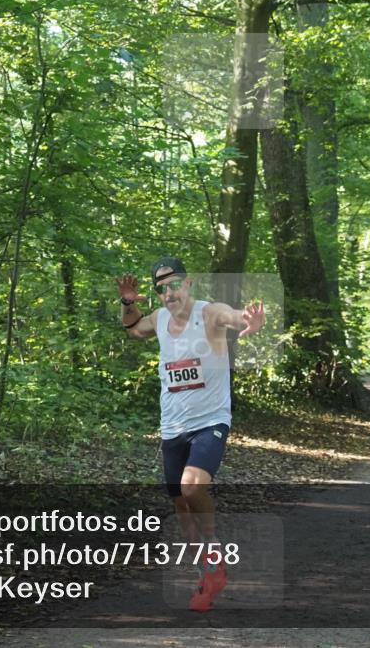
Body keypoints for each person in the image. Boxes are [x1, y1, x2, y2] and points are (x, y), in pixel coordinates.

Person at [116, 257, 265, 612]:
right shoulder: (159, 318)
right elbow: (133, 329)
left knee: (192, 486)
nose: (169, 292)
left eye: (174, 283)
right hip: (173, 427)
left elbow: (231, 315)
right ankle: (208, 579)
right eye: (161, 287)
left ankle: (216, 554)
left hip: (210, 420)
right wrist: (126, 303)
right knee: (185, 521)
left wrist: (248, 320)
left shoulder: (208, 312)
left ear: (188, 283)